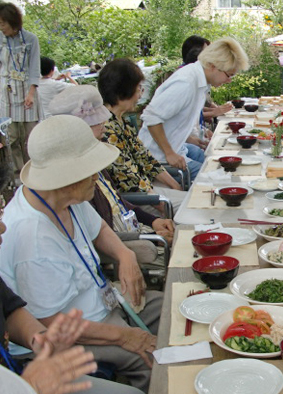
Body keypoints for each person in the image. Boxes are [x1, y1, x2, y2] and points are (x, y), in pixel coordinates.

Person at [0, 115, 161, 392]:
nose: (98, 176)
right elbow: (52, 323)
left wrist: (125, 255)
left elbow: (98, 228)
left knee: (170, 308)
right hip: (74, 336)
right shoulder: (32, 236)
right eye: (91, 170)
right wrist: (124, 336)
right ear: (68, 178)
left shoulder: (65, 197)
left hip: (103, 306)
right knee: (152, 362)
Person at [0, 169, 146, 394]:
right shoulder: (30, 233)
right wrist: (24, 392)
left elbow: (11, 308)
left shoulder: (71, 204)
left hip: (19, 383)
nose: (3, 227)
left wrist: (40, 340)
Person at [48, 84, 175, 246]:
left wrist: (154, 221)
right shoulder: (74, 176)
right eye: (96, 123)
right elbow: (99, 232)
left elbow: (118, 200)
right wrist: (154, 236)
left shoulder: (97, 152)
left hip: (133, 226)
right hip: (122, 241)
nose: (103, 125)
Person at [138, 37, 249, 179]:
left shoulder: (199, 80)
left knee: (216, 160)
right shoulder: (186, 83)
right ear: (212, 65)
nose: (229, 80)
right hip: (158, 160)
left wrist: (189, 138)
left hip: (177, 149)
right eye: (229, 75)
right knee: (220, 178)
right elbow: (151, 117)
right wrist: (169, 153)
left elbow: (177, 117)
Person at [96, 58, 186, 212]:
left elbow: (146, 158)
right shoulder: (107, 129)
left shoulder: (121, 121)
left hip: (147, 190)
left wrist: (174, 185)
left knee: (192, 200)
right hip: (136, 200)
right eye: (139, 88)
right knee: (192, 207)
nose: (140, 95)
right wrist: (159, 204)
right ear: (124, 90)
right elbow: (126, 178)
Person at [0, 2, 42, 171]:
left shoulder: (31, 39)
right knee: (11, 136)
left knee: (30, 136)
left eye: (3, 23)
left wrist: (31, 93)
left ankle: (35, 170)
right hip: (6, 92)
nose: (1, 27)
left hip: (26, 90)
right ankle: (18, 172)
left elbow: (34, 67)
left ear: (12, 21)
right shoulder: (1, 40)